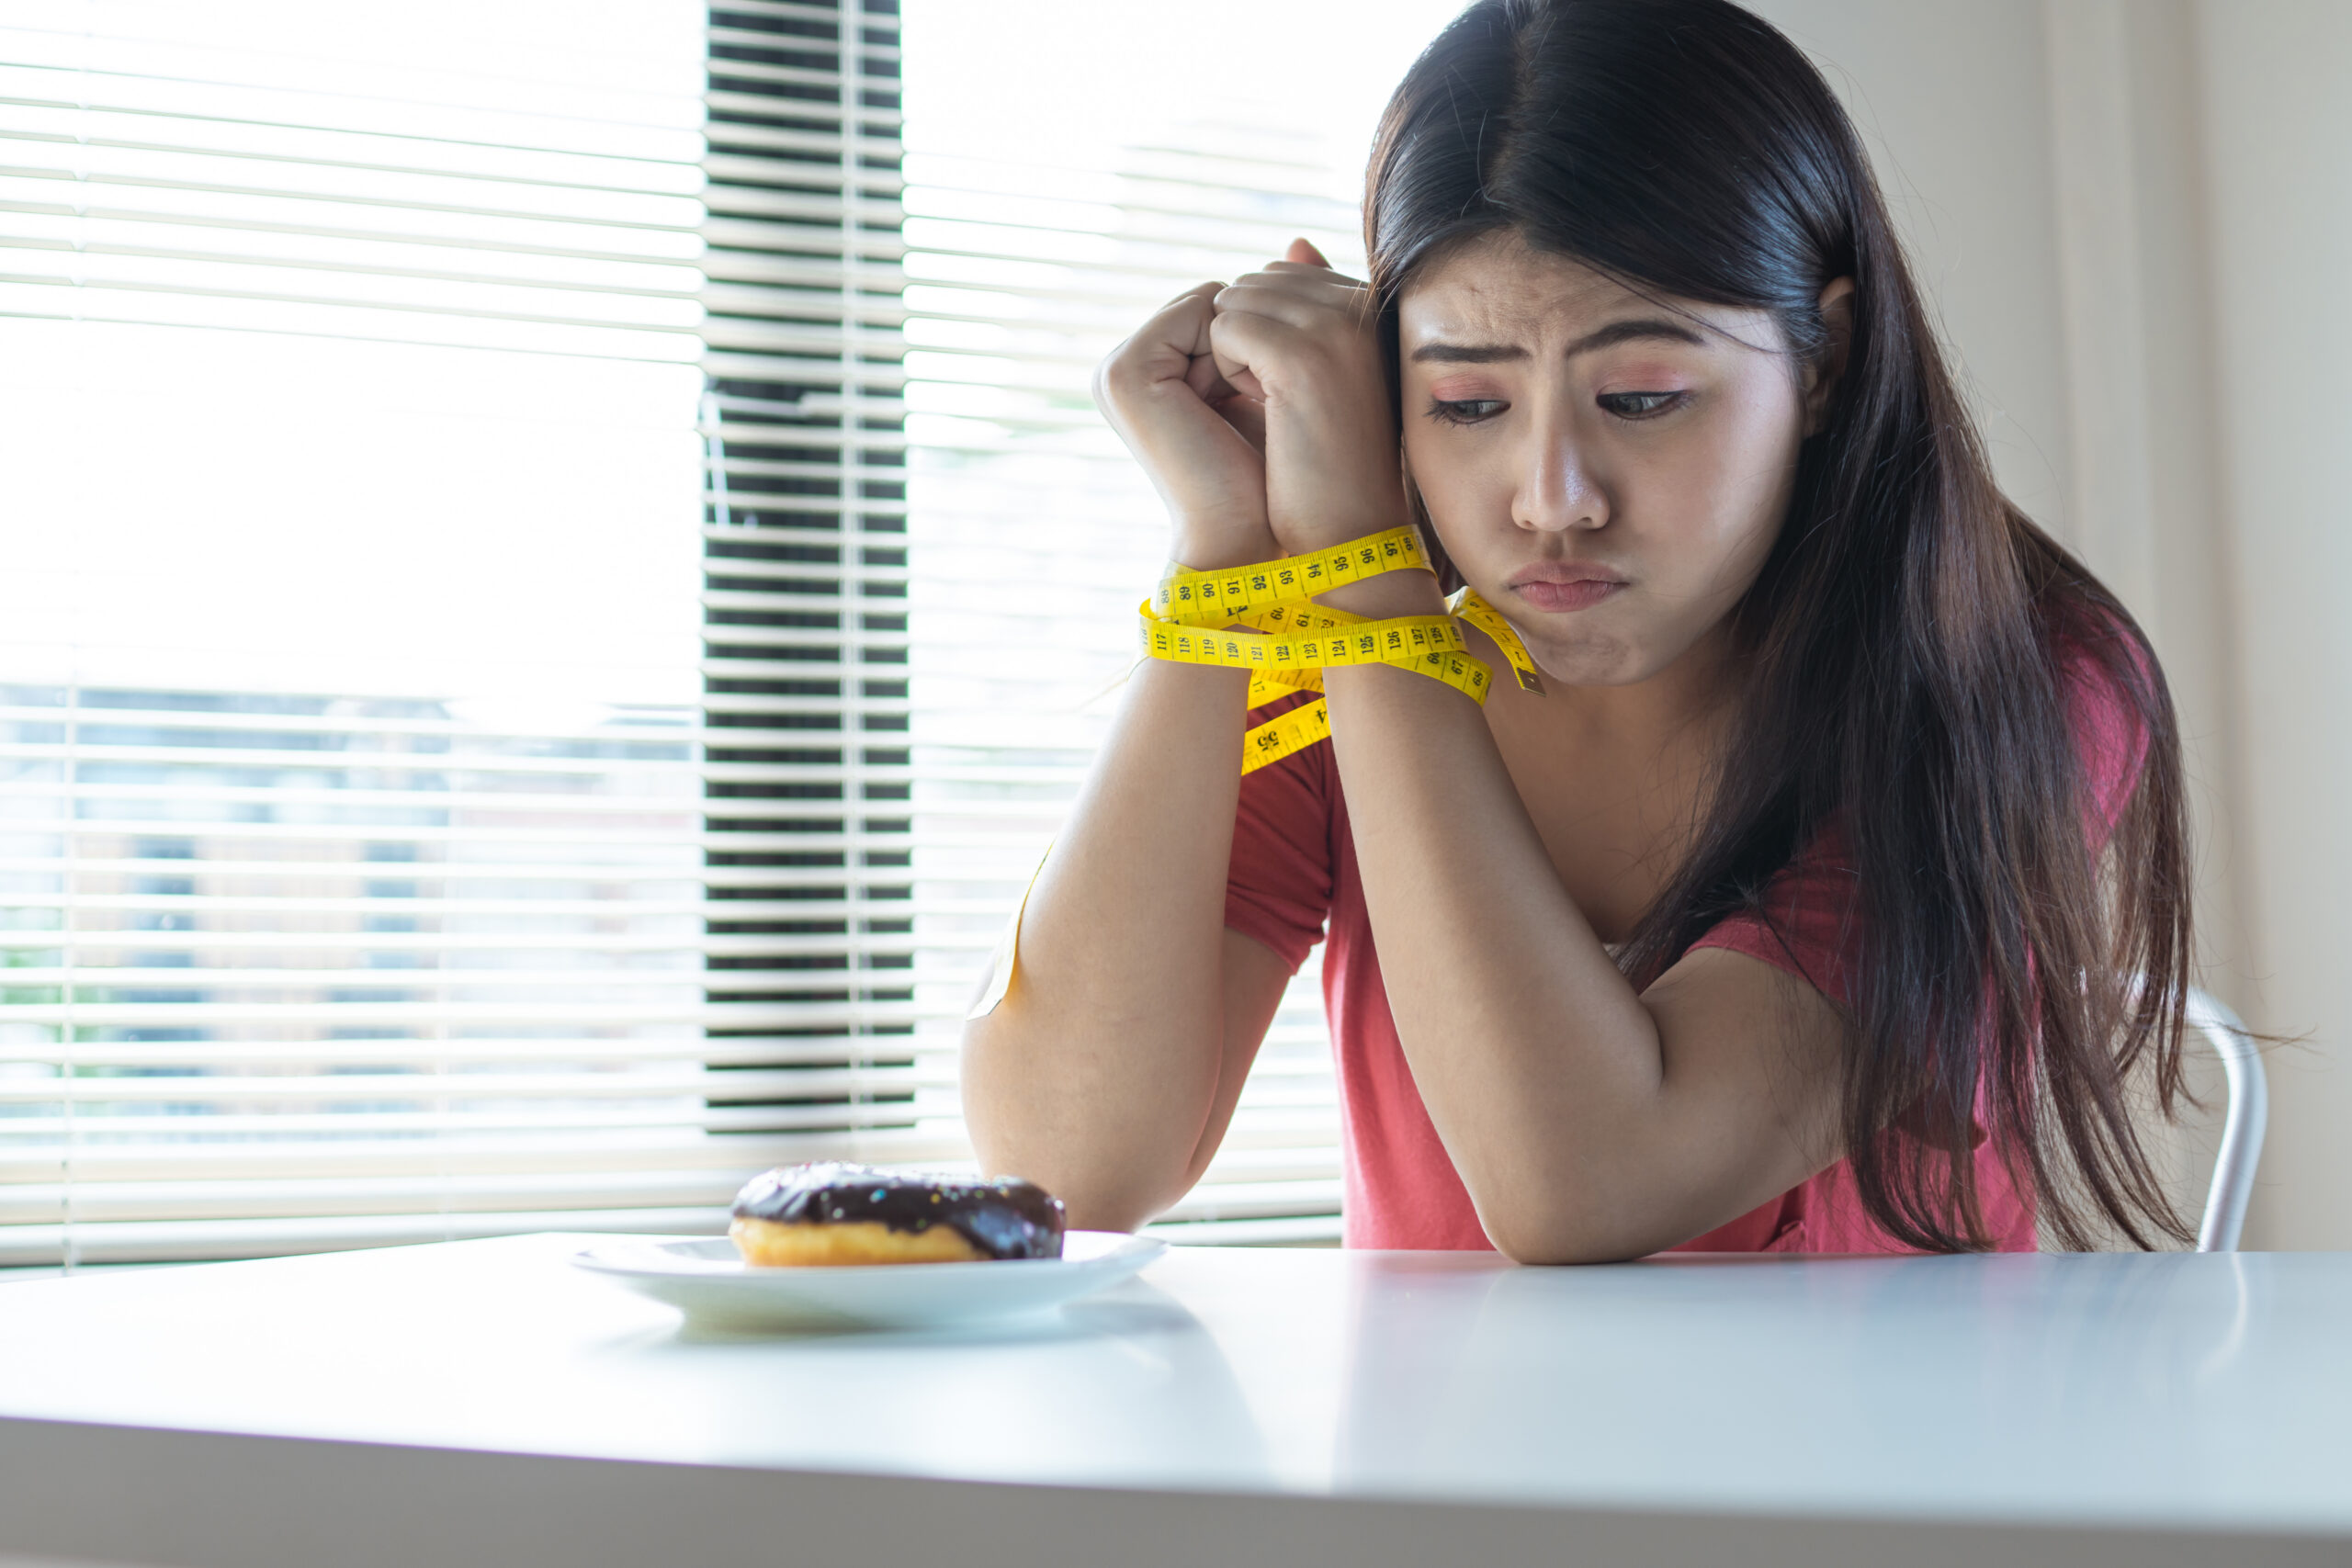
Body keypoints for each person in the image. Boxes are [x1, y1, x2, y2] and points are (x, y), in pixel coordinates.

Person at [960, 0, 2196, 1260]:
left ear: (1822, 362)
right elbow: (1068, 1164)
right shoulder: (1348, 653)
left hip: (1885, 1455)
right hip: (1448, 1457)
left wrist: (1367, 594)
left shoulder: (2022, 676)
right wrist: (1223, 553)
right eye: (1469, 402)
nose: (1554, 499)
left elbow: (1589, 1179)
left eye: (1643, 397)